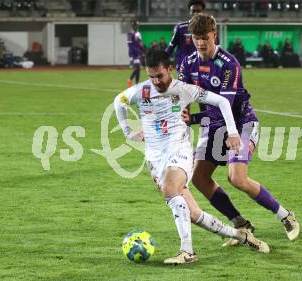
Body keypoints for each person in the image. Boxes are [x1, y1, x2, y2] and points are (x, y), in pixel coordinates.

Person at [114, 49, 269, 265]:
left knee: (170, 190)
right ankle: (240, 235)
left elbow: (223, 102)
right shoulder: (141, 91)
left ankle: (187, 251)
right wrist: (128, 133)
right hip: (155, 159)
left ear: (170, 69)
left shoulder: (186, 90)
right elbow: (118, 101)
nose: (156, 81)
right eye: (151, 76)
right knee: (193, 214)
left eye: (160, 75)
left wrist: (233, 132)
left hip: (179, 151)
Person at [179, 13, 300, 247]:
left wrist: (191, 118)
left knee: (237, 178)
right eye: (196, 38)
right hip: (212, 126)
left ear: (214, 34)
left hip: (240, 123)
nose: (201, 42)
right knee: (199, 178)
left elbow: (223, 107)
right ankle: (240, 224)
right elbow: (182, 96)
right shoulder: (187, 62)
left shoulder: (228, 64)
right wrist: (182, 114)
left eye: (204, 37)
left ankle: (285, 216)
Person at [165, 0, 205, 72]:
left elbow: (216, 49)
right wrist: (161, 60)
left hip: (201, 69)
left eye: (198, 11)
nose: (196, 13)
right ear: (190, 12)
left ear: (202, 12)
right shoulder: (180, 27)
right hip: (183, 68)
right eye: (193, 11)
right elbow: (171, 47)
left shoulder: (208, 29)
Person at [126, 21, 145, 88]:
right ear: (133, 26)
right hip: (134, 52)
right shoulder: (130, 34)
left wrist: (143, 50)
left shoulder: (138, 33)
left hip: (138, 52)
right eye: (135, 25)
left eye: (137, 25)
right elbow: (130, 45)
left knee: (138, 68)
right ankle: (130, 80)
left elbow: (140, 43)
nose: (136, 27)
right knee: (137, 67)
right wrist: (131, 55)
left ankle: (137, 84)